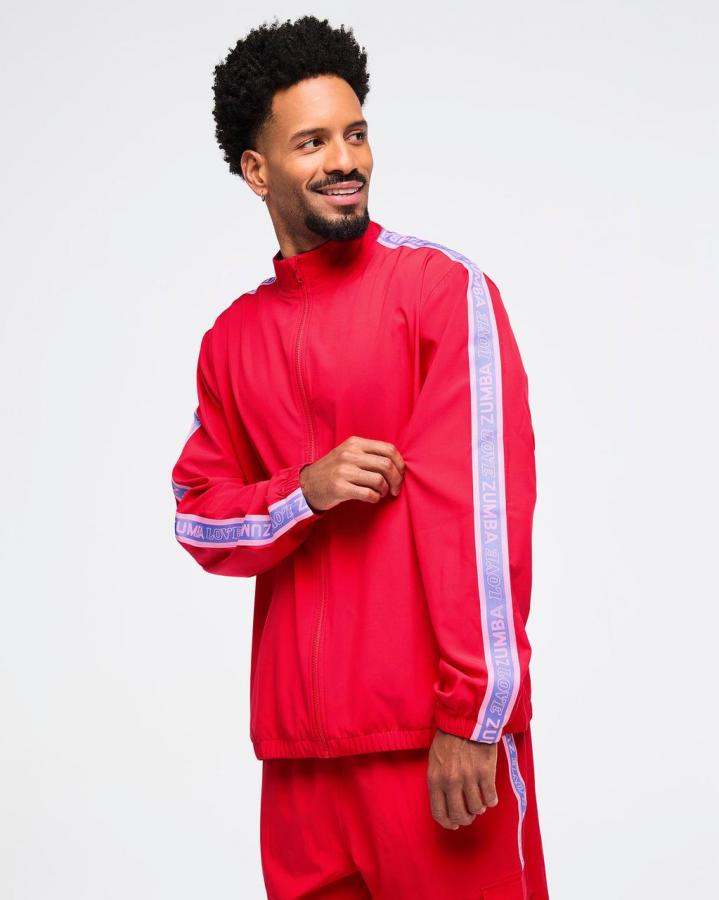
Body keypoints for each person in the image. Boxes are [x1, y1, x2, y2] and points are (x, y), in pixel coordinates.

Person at [171, 14, 549, 899]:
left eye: (355, 134)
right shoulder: (231, 340)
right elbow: (198, 516)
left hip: (434, 746)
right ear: (257, 170)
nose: (346, 160)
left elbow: (483, 518)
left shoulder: (439, 291)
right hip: (300, 761)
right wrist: (302, 492)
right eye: (312, 142)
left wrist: (475, 715)